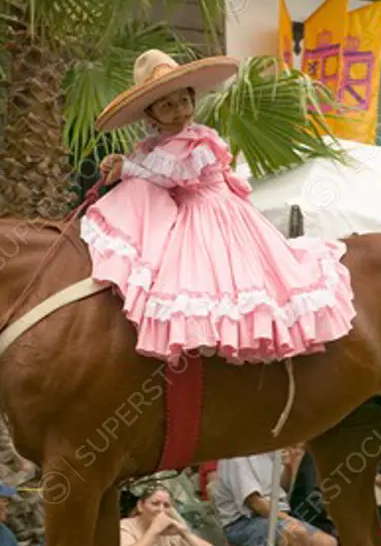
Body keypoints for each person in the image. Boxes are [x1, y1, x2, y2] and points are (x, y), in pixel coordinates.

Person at [80, 50, 356, 365]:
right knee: (181, 276)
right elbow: (153, 175)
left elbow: (174, 176)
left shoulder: (200, 140)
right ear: (151, 115)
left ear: (192, 99)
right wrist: (120, 164)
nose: (179, 111)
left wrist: (127, 168)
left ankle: (242, 339)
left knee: (225, 281)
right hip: (184, 214)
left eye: (183, 101)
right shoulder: (151, 148)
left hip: (214, 213)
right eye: (167, 106)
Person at [213, 452, 337, 546]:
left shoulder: (271, 451)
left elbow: (282, 488)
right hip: (243, 522)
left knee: (328, 543)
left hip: (275, 515)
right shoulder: (238, 457)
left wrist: (288, 467)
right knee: (298, 533)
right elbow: (256, 504)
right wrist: (289, 519)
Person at [119, 483, 225, 546]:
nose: (161, 510)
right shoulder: (126, 526)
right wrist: (154, 531)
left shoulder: (174, 527)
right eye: (155, 504)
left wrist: (185, 533)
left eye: (166, 505)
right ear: (140, 506)